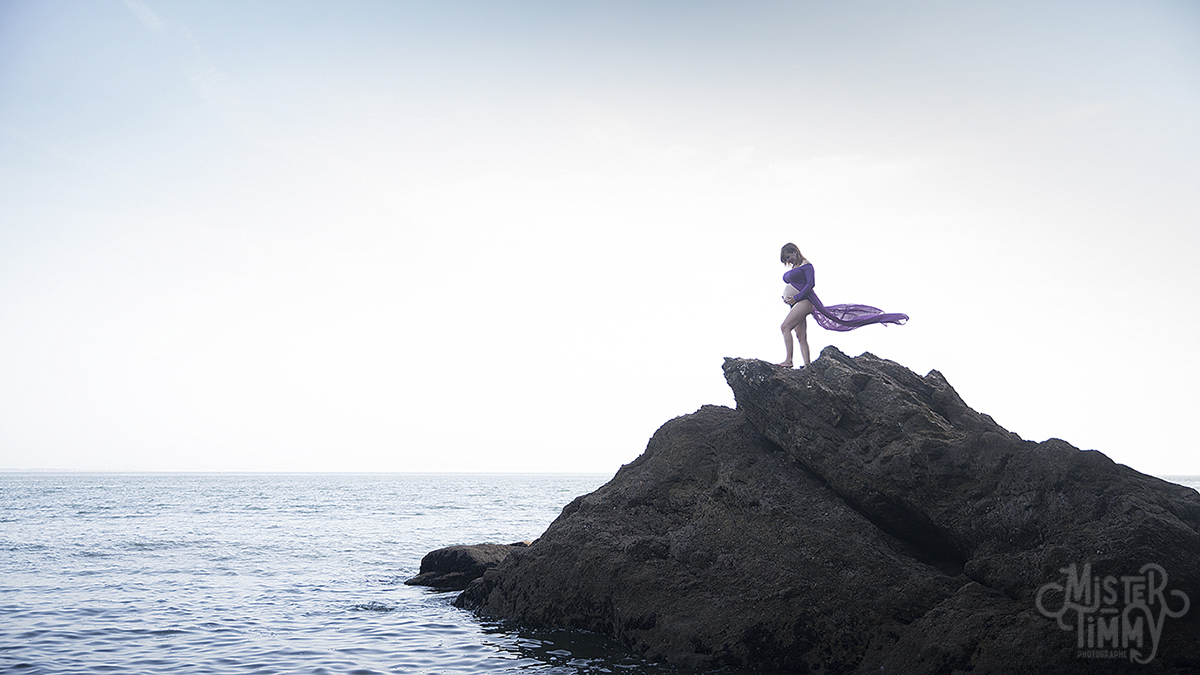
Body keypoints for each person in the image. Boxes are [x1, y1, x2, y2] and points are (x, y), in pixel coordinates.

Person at [778, 242, 908, 369]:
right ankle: (808, 365)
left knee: (785, 327)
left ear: (795, 251)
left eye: (789, 257)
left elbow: (810, 284)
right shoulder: (795, 268)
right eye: (786, 260)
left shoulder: (807, 266)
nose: (789, 261)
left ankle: (789, 360)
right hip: (795, 304)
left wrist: (796, 297)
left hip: (804, 302)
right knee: (801, 336)